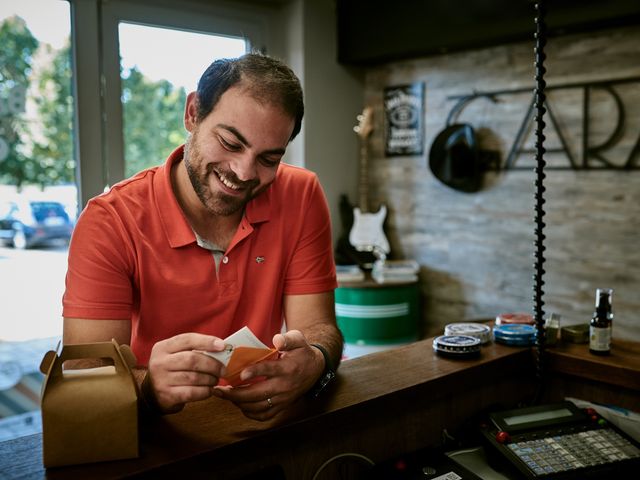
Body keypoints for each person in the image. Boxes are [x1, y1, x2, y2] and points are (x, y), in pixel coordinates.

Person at [62, 53, 343, 421]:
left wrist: (315, 360)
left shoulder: (301, 194)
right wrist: (148, 388)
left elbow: (320, 328)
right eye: (230, 143)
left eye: (268, 159)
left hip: (258, 431)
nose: (244, 173)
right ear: (192, 113)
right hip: (152, 434)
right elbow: (84, 380)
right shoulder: (109, 221)